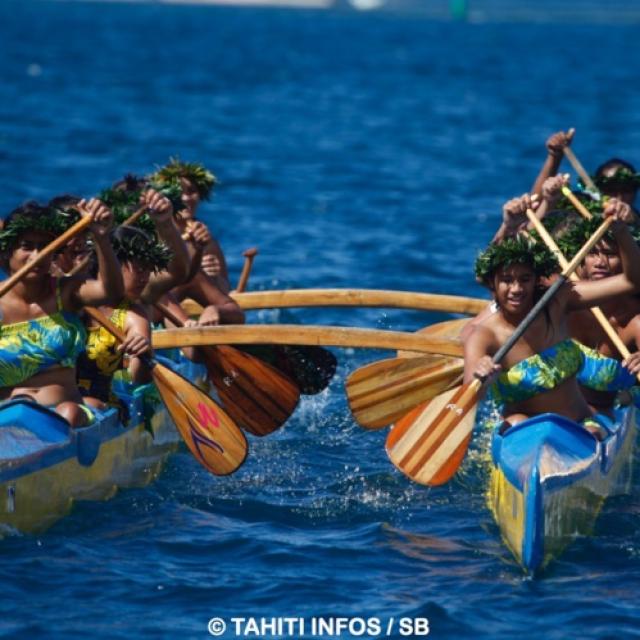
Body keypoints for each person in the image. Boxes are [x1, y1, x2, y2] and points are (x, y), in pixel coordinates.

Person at [465, 198, 640, 438]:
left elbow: (631, 281)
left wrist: (621, 231)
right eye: (506, 280)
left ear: (538, 280)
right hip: (520, 431)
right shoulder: (483, 335)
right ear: (493, 285)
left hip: (582, 426)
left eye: (525, 280)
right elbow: (469, 395)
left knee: (593, 430)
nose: (516, 289)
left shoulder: (557, 301)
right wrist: (480, 377)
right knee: (517, 424)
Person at [0, 199, 123, 427]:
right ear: (8, 252)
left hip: (70, 417)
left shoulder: (67, 292)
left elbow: (111, 292)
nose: (37, 256)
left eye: (44, 247)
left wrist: (101, 238)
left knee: (68, 412)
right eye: (27, 246)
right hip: (7, 424)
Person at [77, 189, 191, 408]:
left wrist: (165, 223)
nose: (145, 277)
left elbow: (178, 271)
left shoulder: (133, 309)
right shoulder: (72, 293)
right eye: (139, 269)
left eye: (149, 270)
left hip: (100, 403)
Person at [151, 159, 231, 292]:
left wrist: (215, 278)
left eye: (191, 191)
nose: (186, 198)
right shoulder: (152, 236)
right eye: (179, 191)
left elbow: (227, 290)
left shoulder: (208, 242)